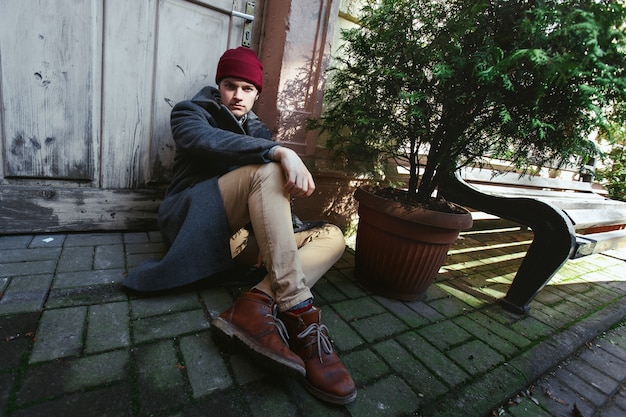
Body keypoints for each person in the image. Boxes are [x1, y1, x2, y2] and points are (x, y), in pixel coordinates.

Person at [123, 47, 356, 405]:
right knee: (265, 168)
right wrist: (278, 151)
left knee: (333, 237)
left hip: (240, 240)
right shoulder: (191, 112)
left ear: (256, 94)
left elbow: (271, 196)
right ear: (219, 87)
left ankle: (255, 301)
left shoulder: (260, 129)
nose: (238, 95)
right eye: (231, 85)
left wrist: (275, 233)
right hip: (194, 221)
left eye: (247, 88)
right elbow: (206, 142)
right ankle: (299, 315)